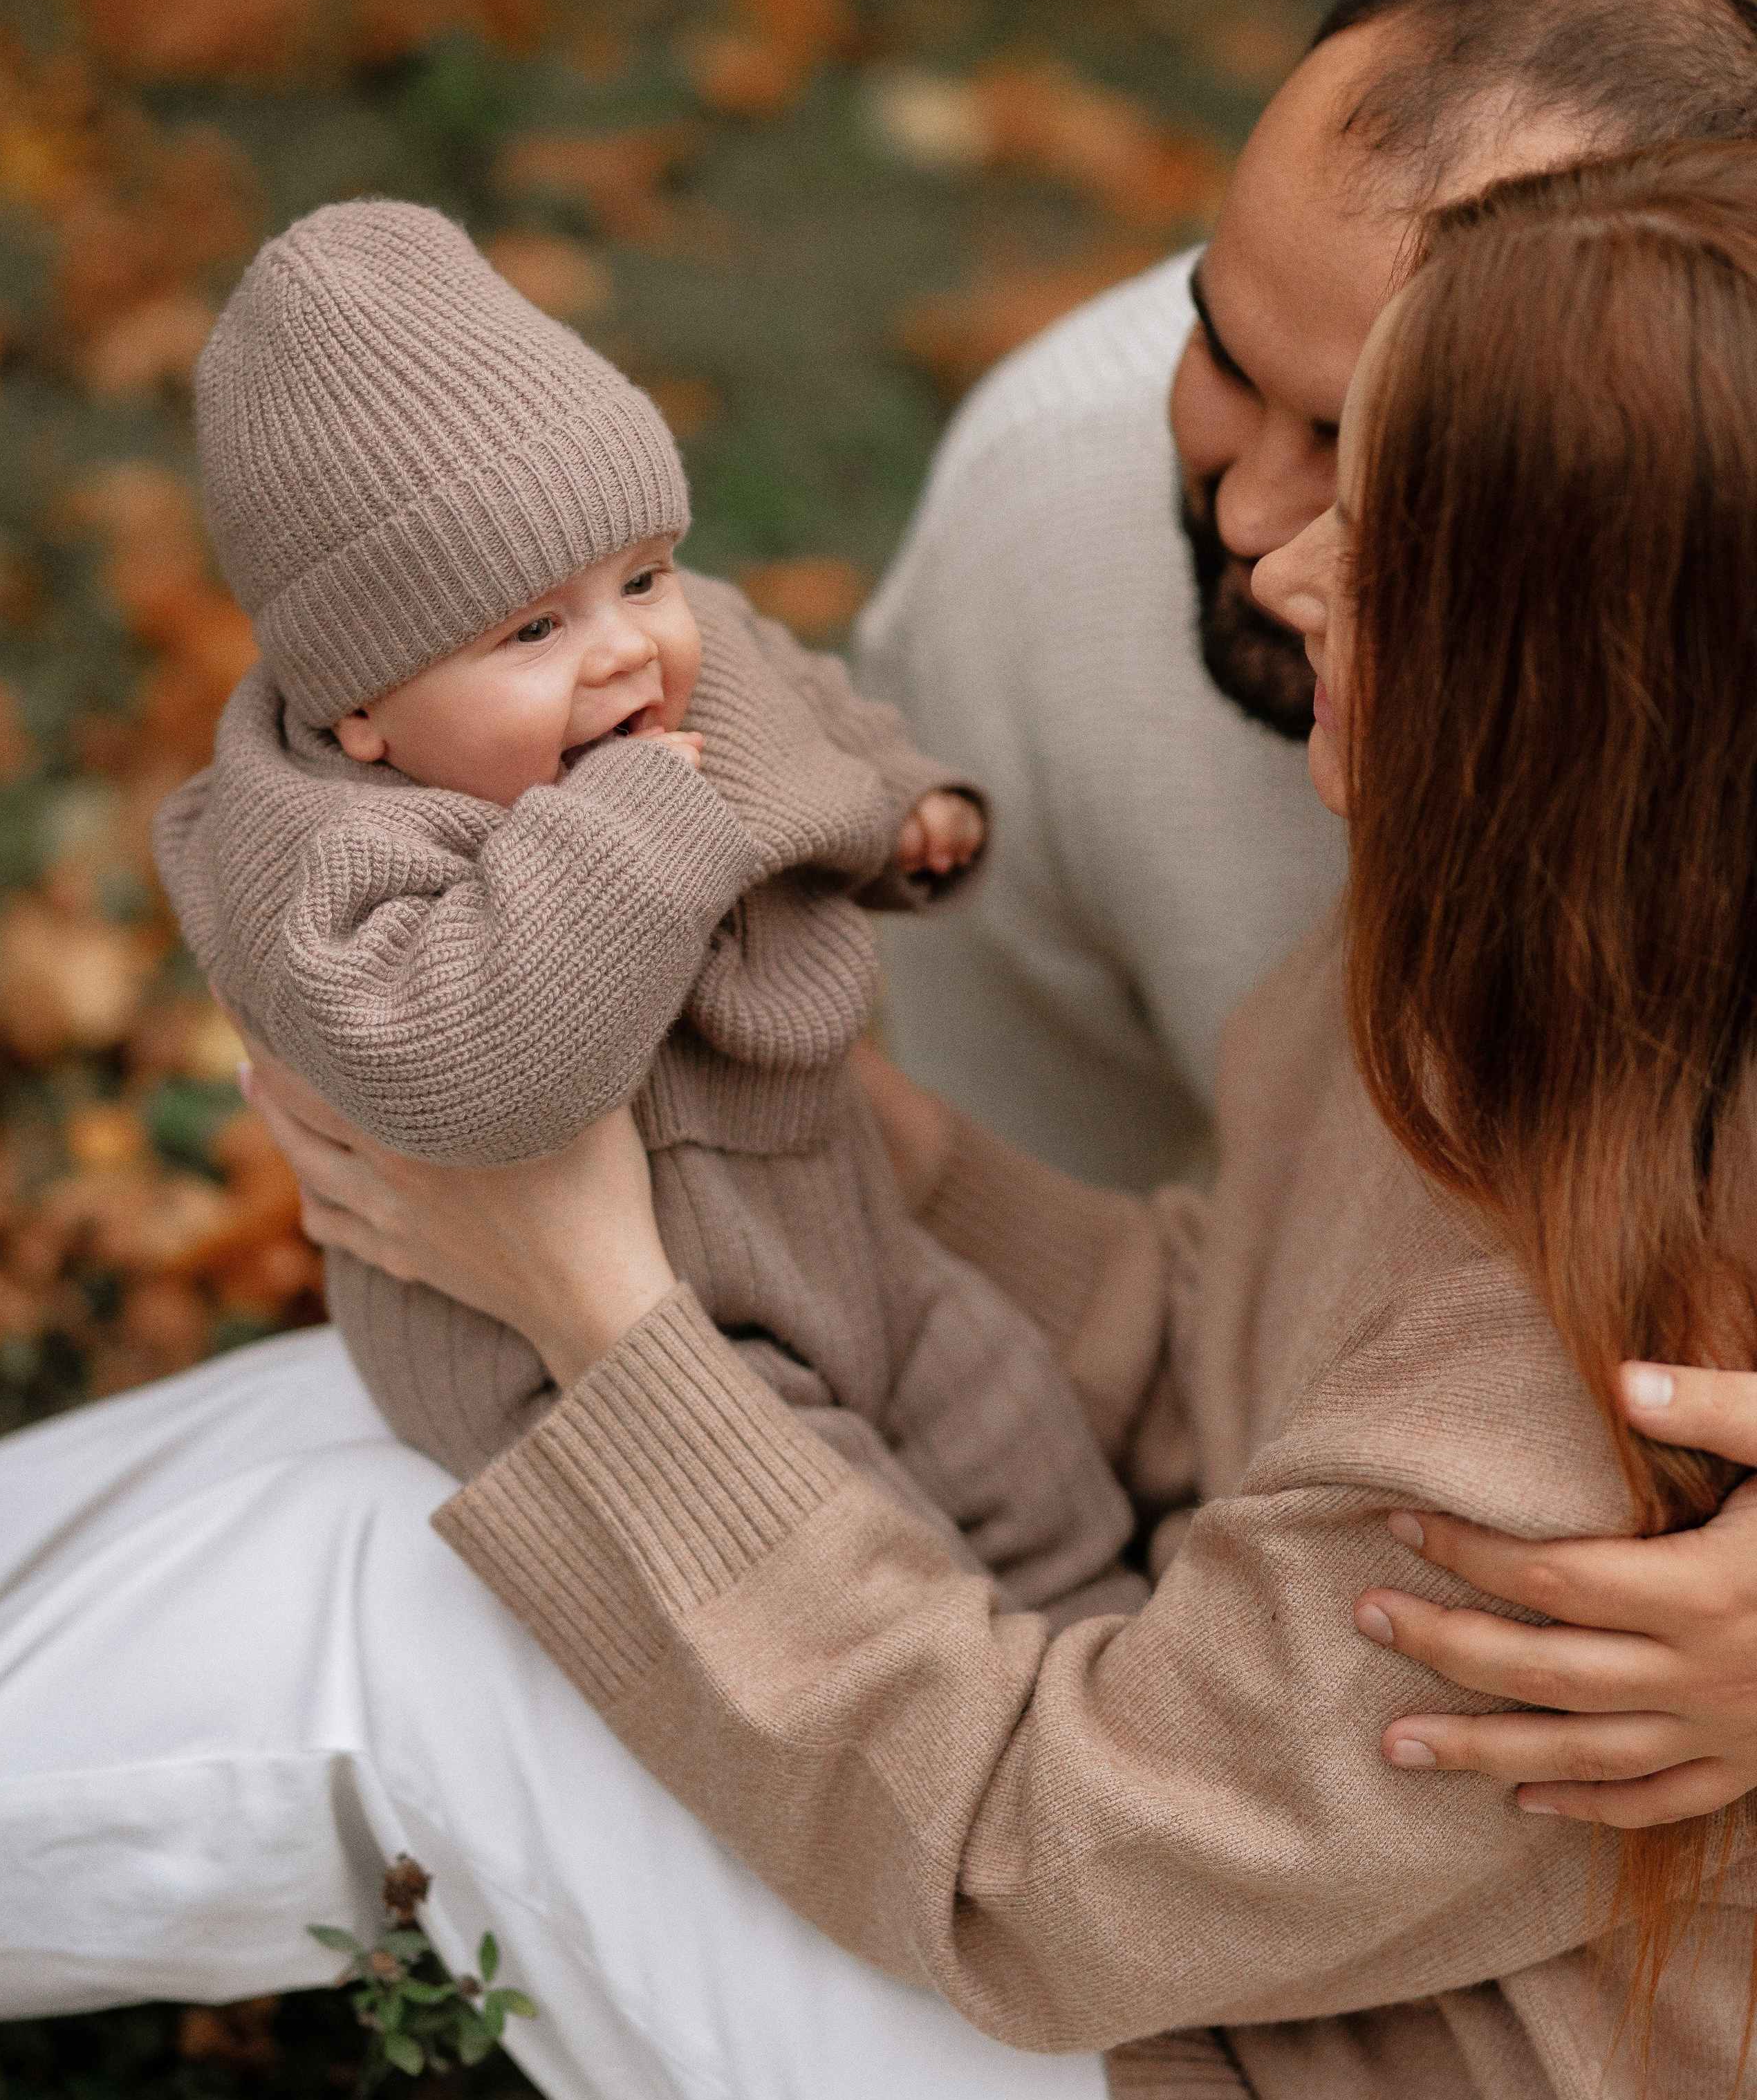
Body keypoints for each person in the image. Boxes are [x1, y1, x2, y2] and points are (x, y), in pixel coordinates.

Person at [210, 138, 1757, 2100]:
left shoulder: (1584, 1403)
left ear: (1572, 679)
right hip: (1292, 1999)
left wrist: (604, 1311)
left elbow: (1052, 1862)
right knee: (355, 1449)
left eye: (1377, 540)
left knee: (399, 1598)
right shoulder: (1531, 985)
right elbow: (1260, 1354)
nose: (1277, 562)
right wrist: (865, 1160)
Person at [859, 0, 1757, 1825]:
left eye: (1360, 441)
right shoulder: (1049, 523)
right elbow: (1048, 1264)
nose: (1259, 525)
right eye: (1217, 346)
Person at [156, 198, 1135, 1619]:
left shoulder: (668, 652)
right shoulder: (320, 859)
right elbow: (467, 1061)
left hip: (829, 1226)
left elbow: (778, 684)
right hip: (581, 1350)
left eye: (643, 575)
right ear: (360, 708)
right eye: (532, 631)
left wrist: (896, 793)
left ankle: (1095, 1613)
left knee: (1005, 1411)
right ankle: (971, 1703)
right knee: (859, 1547)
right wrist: (625, 827)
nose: (626, 649)